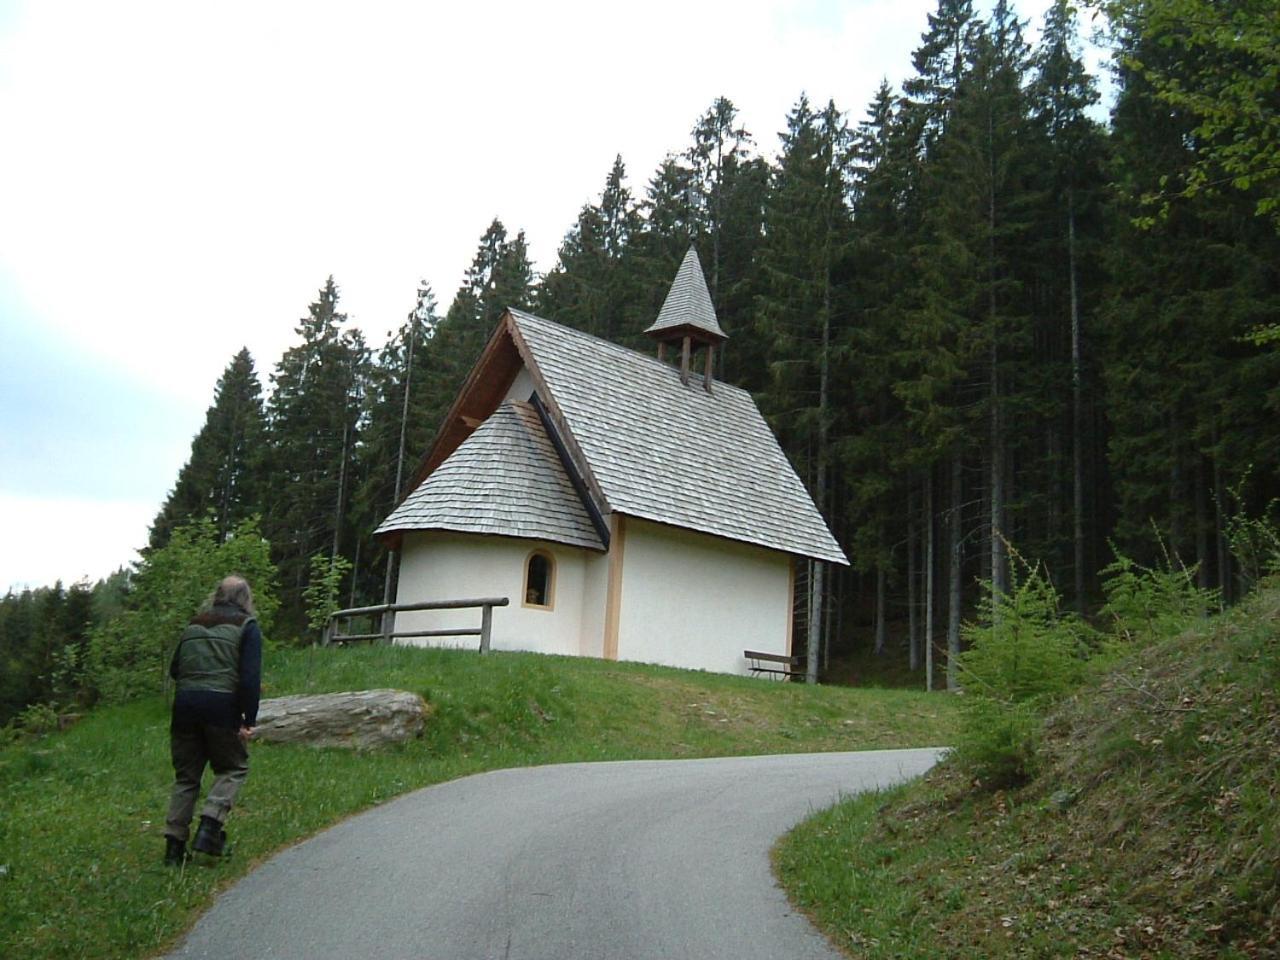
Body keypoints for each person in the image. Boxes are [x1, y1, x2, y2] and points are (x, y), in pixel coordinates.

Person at [163, 575, 262, 866]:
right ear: (245, 598)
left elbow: (175, 669)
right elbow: (249, 679)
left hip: (184, 707)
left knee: (186, 777)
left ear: (217, 595)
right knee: (233, 767)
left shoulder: (194, 624)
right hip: (221, 706)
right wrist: (248, 719)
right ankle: (210, 826)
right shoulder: (247, 626)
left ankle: (173, 848)